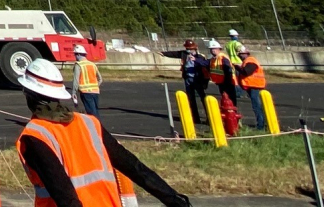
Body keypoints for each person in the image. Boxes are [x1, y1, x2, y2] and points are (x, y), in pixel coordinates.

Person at [16, 58, 190, 207]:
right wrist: (173, 199)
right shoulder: (89, 123)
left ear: (28, 94)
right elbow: (133, 166)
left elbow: (63, 193)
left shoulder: (35, 135)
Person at [179, 40, 208, 124]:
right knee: (191, 99)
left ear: (195, 48)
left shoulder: (200, 57)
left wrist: (195, 59)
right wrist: (163, 53)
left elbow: (204, 66)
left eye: (191, 48)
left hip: (197, 79)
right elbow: (174, 53)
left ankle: (209, 116)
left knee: (203, 98)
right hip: (188, 79)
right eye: (187, 48)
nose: (189, 50)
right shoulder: (184, 55)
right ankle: (195, 118)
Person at [238, 49, 268, 130]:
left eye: (242, 54)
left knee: (257, 106)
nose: (240, 55)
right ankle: (262, 124)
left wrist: (237, 68)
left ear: (247, 54)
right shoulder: (247, 61)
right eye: (240, 54)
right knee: (256, 106)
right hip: (252, 86)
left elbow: (247, 72)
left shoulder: (250, 61)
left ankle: (261, 126)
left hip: (255, 86)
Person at [71, 45, 101, 117]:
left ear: (78, 54)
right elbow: (100, 79)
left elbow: (76, 80)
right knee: (95, 111)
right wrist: (95, 86)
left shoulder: (78, 65)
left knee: (91, 113)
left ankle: (96, 127)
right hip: (95, 92)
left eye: (75, 54)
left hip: (85, 92)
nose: (75, 56)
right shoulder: (92, 64)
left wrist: (74, 92)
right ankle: (99, 126)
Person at [206, 40, 238, 105]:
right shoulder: (214, 58)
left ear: (219, 49)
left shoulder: (223, 58)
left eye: (214, 48)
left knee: (230, 98)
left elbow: (228, 70)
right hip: (221, 82)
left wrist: (227, 82)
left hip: (227, 82)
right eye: (211, 49)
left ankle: (233, 111)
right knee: (225, 98)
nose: (213, 50)